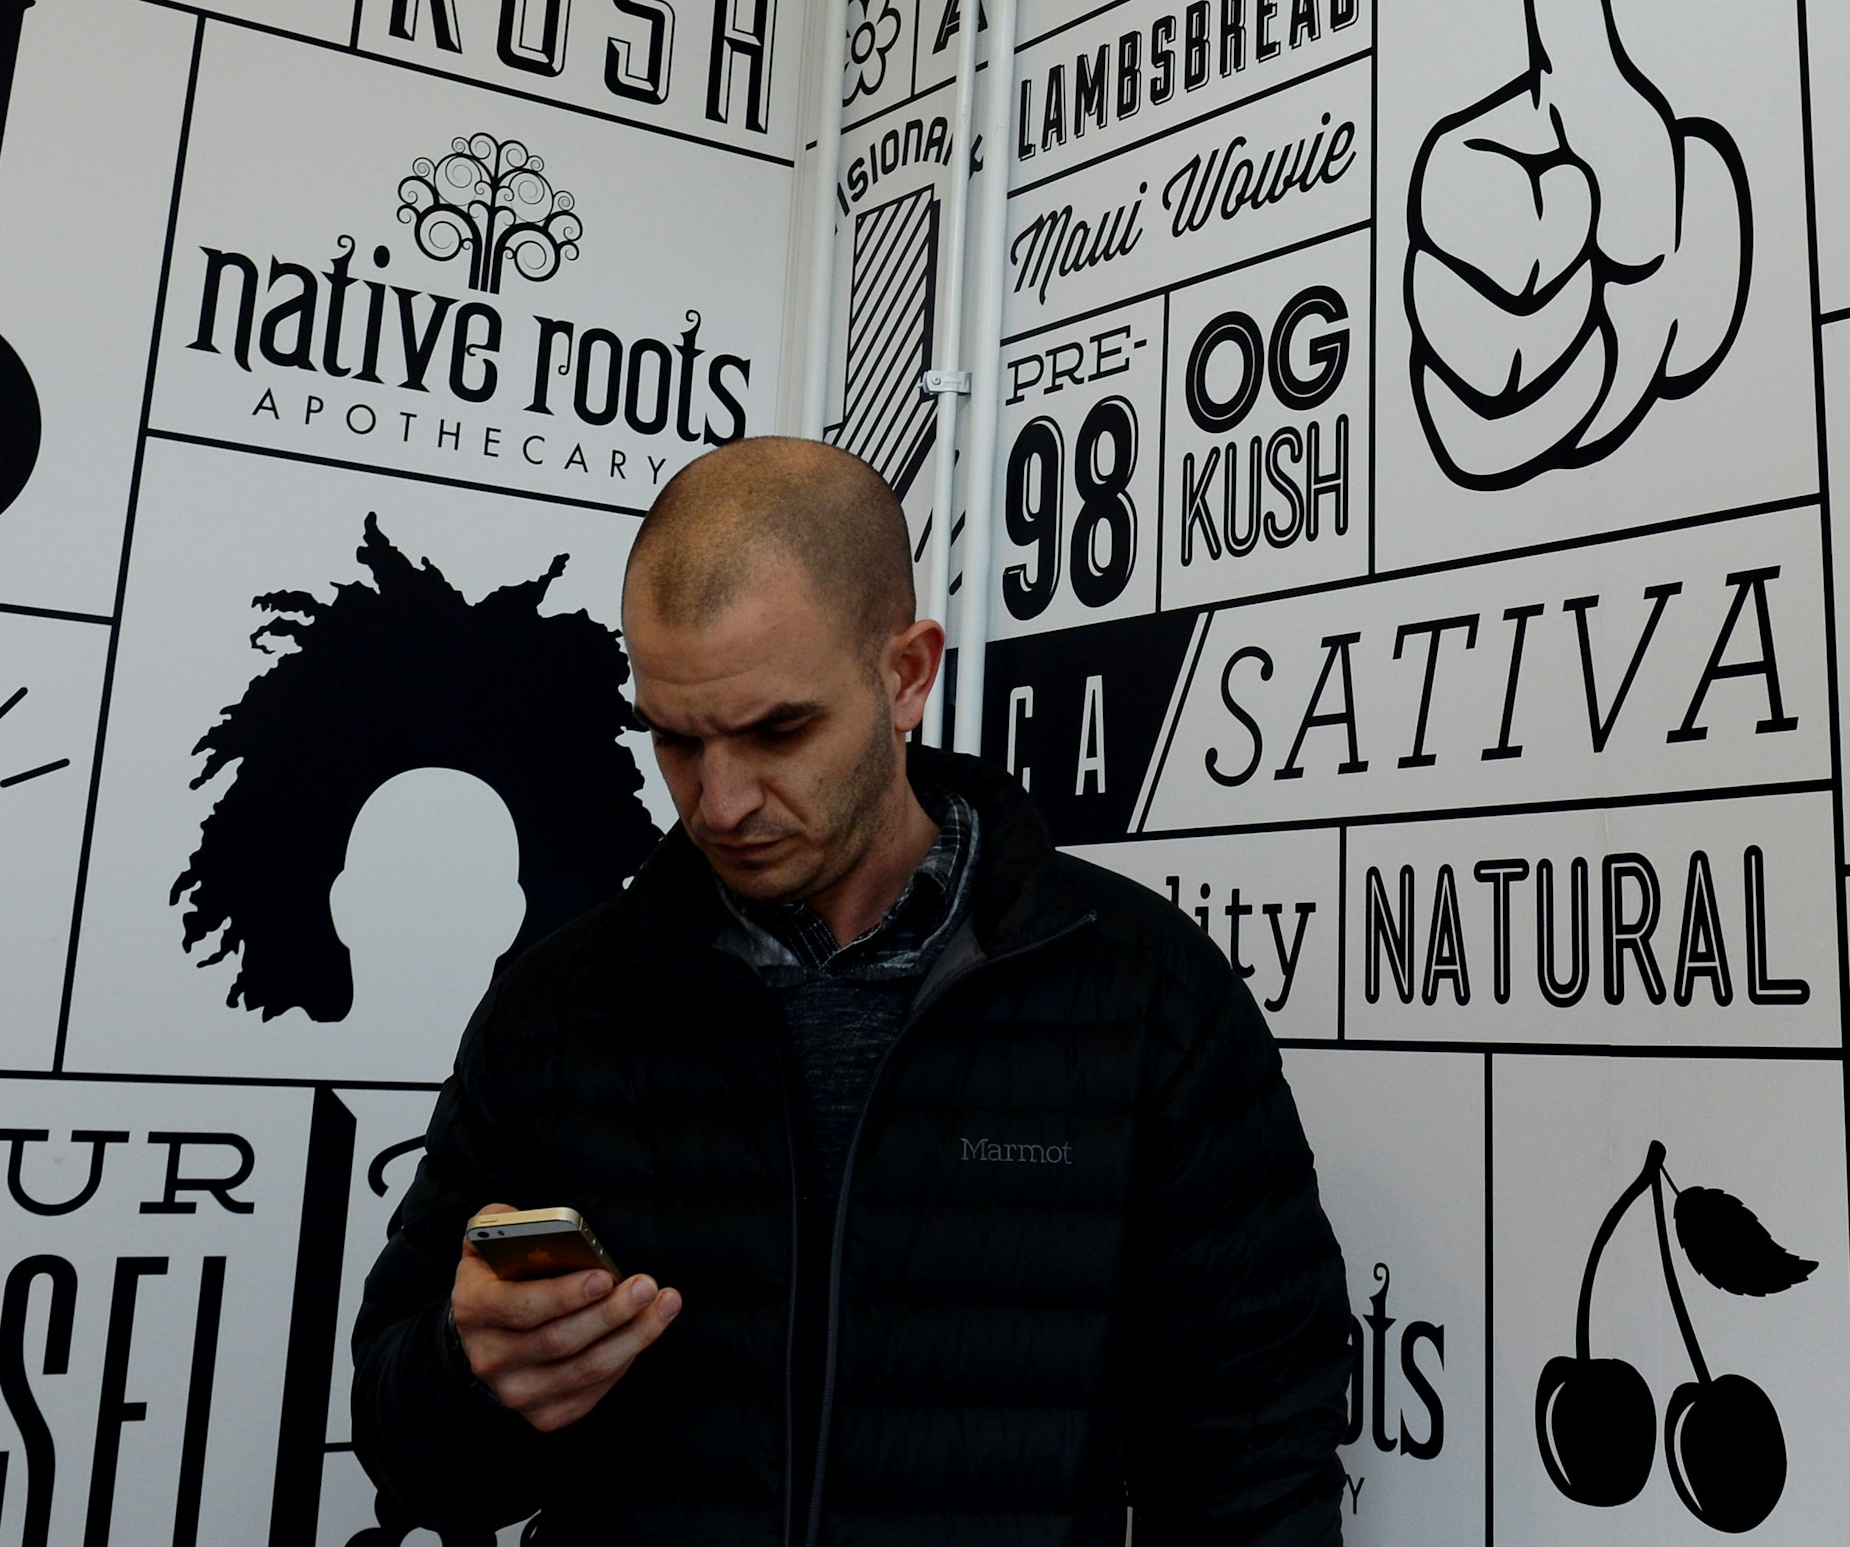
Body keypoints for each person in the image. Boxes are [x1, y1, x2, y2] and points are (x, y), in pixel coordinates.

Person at [350, 437, 1350, 1544]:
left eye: (779, 730)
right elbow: (413, 1463)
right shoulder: (559, 1008)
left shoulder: (1145, 993)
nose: (720, 801)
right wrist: (472, 1374)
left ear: (906, 672)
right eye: (676, 739)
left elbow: (1256, 1457)